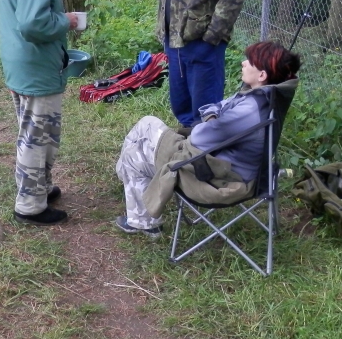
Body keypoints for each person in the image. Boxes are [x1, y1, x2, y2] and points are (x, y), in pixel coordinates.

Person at [114, 41, 299, 238]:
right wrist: (213, 119)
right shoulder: (264, 97)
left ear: (262, 75)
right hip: (227, 166)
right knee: (145, 128)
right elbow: (215, 108)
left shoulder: (248, 110)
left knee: (138, 147)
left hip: (217, 178)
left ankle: (143, 221)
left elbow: (198, 137)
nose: (243, 63)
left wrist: (211, 120)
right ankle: (127, 177)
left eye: (249, 61)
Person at [0, 0, 81, 226]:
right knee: (36, 138)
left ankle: (40, 188)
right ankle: (30, 206)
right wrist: (66, 21)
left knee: (34, 132)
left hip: (20, 64)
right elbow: (34, 25)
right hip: (35, 67)